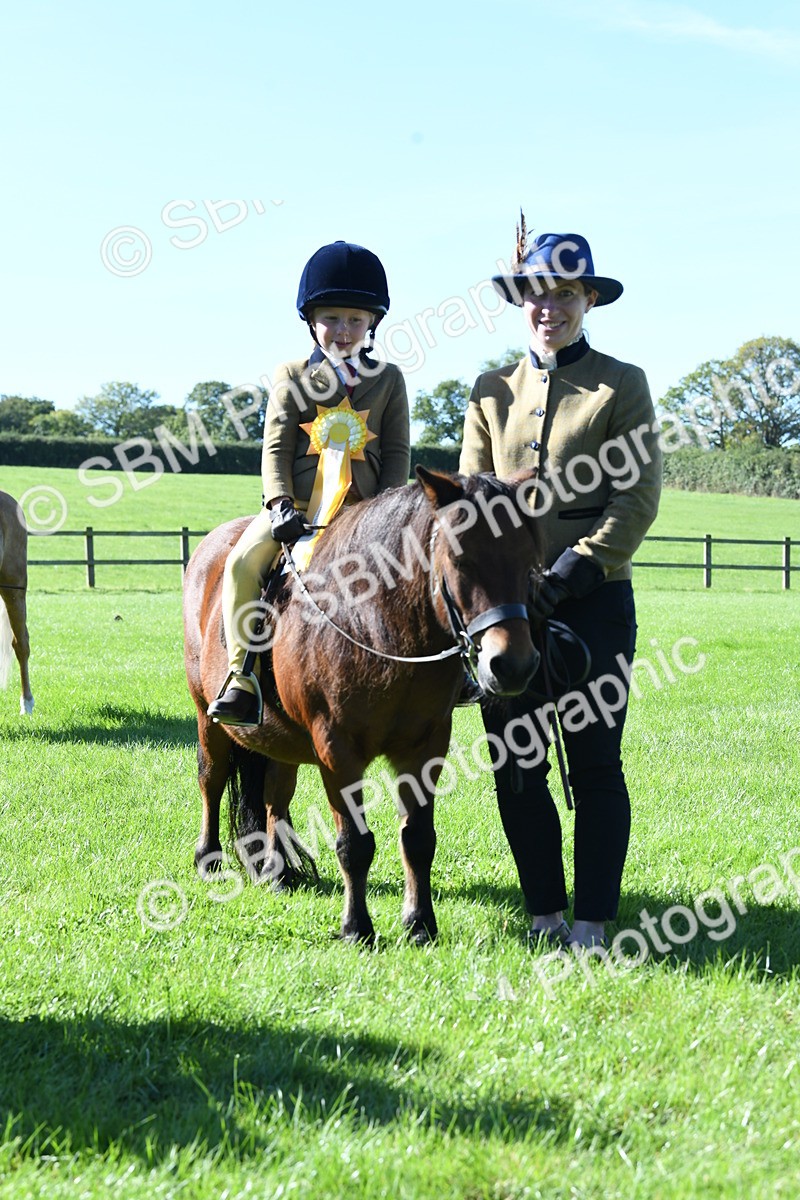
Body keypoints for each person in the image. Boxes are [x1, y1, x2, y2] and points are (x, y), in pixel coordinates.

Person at [459, 223, 662, 951]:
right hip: (509, 610)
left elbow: (636, 496)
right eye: (538, 295)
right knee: (518, 766)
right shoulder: (490, 391)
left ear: (588, 301)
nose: (550, 308)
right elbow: (472, 502)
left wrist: (579, 565)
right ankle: (544, 912)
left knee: (596, 763)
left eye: (566, 295)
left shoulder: (623, 383)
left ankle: (592, 923)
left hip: (595, 601)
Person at [209, 240, 410, 727]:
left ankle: (444, 672)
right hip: (296, 508)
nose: (343, 330)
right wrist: (278, 503)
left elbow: (398, 453)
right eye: (332, 318)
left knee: (423, 567)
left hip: (365, 511)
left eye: (355, 320)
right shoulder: (292, 374)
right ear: (311, 320)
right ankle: (240, 678)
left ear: (372, 323)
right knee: (241, 563)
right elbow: (275, 446)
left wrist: (388, 511)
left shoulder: (389, 380)